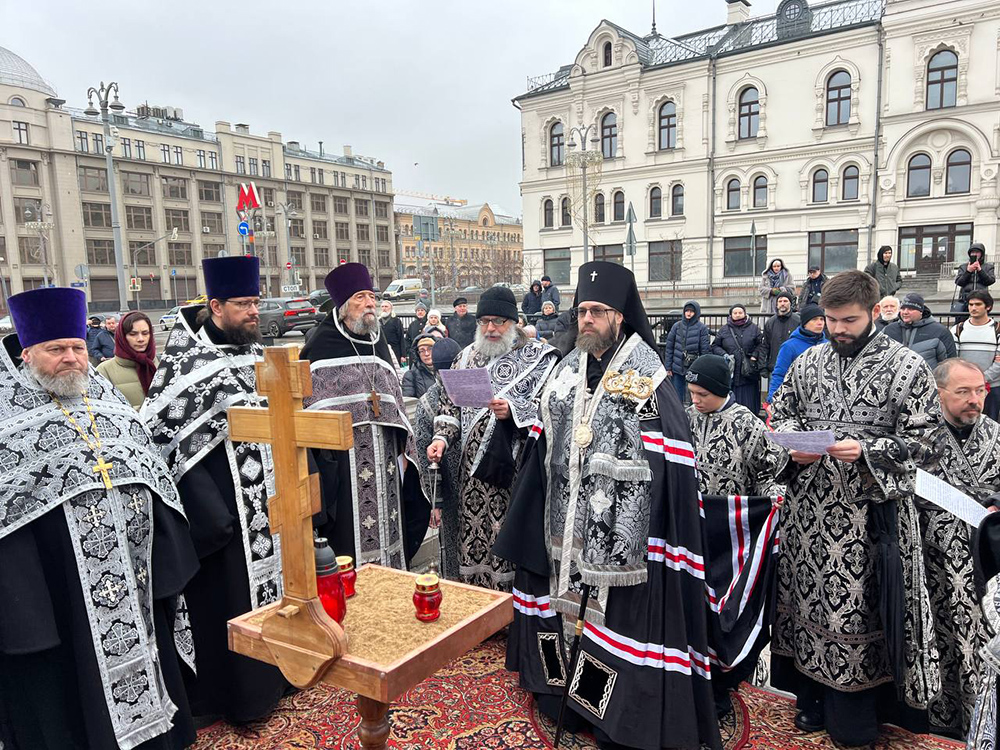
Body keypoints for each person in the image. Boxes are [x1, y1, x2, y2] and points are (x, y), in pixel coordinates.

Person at [496, 261, 723, 750]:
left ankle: (608, 715)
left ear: (620, 316)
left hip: (620, 530)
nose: (587, 320)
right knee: (559, 610)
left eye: (598, 311)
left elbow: (672, 454)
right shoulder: (565, 368)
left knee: (612, 622)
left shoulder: (648, 374)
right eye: (582, 311)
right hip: (561, 517)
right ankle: (562, 696)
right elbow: (542, 435)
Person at [0, 287, 199, 750]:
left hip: (137, 582)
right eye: (56, 350)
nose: (70, 358)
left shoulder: (107, 400)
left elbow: (152, 472)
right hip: (57, 590)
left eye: (76, 347)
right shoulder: (7, 414)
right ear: (27, 352)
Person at [768, 270, 941, 747]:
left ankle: (855, 718)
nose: (839, 329)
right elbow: (781, 412)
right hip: (809, 517)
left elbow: (929, 444)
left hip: (870, 522)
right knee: (805, 605)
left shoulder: (905, 367)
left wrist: (867, 450)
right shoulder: (808, 362)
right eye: (830, 319)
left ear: (872, 312)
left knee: (856, 614)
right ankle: (811, 701)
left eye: (849, 320)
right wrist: (793, 447)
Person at [143, 255, 290, 724]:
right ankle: (242, 700)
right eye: (243, 303)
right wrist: (212, 515)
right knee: (231, 601)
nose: (253, 311)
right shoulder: (186, 363)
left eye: (256, 301)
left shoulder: (259, 354)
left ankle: (282, 677)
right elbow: (160, 438)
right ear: (216, 306)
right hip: (225, 514)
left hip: (271, 506)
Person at [426, 286, 557, 590]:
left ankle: (512, 607)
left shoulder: (537, 358)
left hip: (513, 471)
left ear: (514, 322)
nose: (490, 328)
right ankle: (478, 602)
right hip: (469, 474)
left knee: (506, 536)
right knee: (473, 537)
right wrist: (441, 439)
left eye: (498, 321)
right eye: (484, 321)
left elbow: (553, 406)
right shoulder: (464, 358)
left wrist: (514, 410)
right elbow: (449, 407)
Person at [301, 263, 430, 570]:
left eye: (371, 296)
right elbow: (306, 412)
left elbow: (395, 403)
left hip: (385, 463)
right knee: (349, 549)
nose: (370, 303)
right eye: (361, 297)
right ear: (344, 306)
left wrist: (403, 450)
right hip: (342, 469)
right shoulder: (320, 345)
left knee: (391, 538)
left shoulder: (379, 342)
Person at [685, 354, 788, 710]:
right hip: (693, 529)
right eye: (692, 393)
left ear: (721, 391)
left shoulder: (747, 423)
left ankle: (724, 681)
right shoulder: (687, 417)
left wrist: (772, 501)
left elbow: (771, 471)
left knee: (724, 609)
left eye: (702, 394)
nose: (696, 401)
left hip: (732, 538)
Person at [911, 359, 1000, 737]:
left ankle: (981, 718)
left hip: (985, 564)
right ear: (939, 393)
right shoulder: (920, 439)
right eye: (963, 392)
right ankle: (940, 719)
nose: (974, 400)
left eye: (979, 391)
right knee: (938, 641)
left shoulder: (996, 436)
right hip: (932, 561)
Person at [413, 337, 463, 578]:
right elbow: (425, 457)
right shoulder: (427, 404)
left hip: (479, 483)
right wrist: (435, 501)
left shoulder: (473, 389)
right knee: (452, 546)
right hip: (452, 487)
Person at [951, 289, 1000, 421]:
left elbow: (999, 364)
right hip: (963, 387)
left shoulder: (997, 330)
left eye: (978, 304)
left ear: (988, 307)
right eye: (971, 304)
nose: (973, 308)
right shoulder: (957, 329)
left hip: (992, 388)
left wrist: (981, 380)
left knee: (990, 424)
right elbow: (954, 359)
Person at [96, 310, 157, 409]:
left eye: (145, 333)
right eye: (133, 334)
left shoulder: (163, 364)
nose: (141, 339)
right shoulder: (104, 371)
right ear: (122, 337)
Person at [766, 304, 825, 403]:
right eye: (814, 319)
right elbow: (780, 374)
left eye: (822, 319)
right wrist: (772, 399)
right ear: (805, 323)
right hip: (798, 400)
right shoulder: (789, 346)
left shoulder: (828, 344)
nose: (819, 323)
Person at [712, 304, 762, 416]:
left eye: (740, 312)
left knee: (749, 403)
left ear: (744, 313)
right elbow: (715, 346)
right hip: (732, 372)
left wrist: (754, 355)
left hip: (748, 371)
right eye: (735, 313)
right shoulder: (724, 330)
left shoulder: (754, 328)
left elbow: (761, 345)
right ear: (731, 315)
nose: (738, 315)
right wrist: (724, 355)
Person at [884, 292, 957, 369]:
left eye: (911, 309)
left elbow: (950, 363)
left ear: (921, 311)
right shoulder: (889, 330)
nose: (905, 312)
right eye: (902, 308)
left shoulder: (940, 331)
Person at [664, 300, 711, 403]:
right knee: (677, 394)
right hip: (677, 366)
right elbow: (669, 347)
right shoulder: (677, 326)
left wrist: (703, 368)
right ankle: (678, 415)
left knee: (693, 394)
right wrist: (668, 367)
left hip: (693, 366)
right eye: (687, 311)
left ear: (696, 313)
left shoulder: (701, 328)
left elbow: (704, 350)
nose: (689, 313)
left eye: (692, 311)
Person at [758, 292, 800, 389]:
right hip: (775, 369)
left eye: (785, 301)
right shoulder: (770, 322)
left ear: (790, 303)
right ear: (776, 304)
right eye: (780, 301)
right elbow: (765, 346)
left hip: (794, 368)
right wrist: (762, 366)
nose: (782, 303)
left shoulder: (798, 321)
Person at [956, 243, 995, 308]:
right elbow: (959, 282)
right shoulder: (963, 267)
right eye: (972, 252)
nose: (975, 254)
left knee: (979, 317)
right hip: (965, 299)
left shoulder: (988, 267)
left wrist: (980, 270)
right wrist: (968, 271)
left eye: (977, 252)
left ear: (981, 254)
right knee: (963, 317)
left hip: (981, 298)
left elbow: (990, 281)